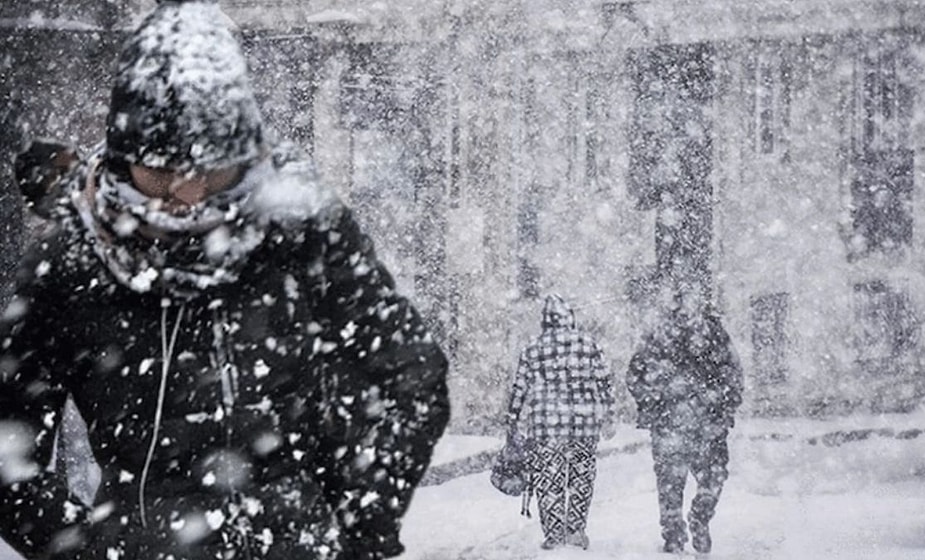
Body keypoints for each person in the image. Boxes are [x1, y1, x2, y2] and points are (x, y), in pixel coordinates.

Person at [0, 1, 449, 559]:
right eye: (161, 169)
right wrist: (82, 549)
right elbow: (6, 449)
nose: (188, 197)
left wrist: (360, 529)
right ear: (121, 158)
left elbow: (414, 380)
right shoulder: (71, 260)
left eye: (211, 171)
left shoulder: (302, 229)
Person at [626, 294, 743, 554]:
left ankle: (675, 534)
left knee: (671, 483)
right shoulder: (714, 334)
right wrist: (724, 405)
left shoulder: (656, 336)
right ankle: (698, 516)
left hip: (671, 422)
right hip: (706, 422)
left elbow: (634, 376)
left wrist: (652, 402)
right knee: (712, 477)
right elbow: (734, 375)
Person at [506, 293, 615, 550]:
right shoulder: (588, 344)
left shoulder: (532, 348)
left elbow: (519, 387)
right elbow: (604, 382)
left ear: (545, 321)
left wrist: (512, 417)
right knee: (581, 478)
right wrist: (609, 413)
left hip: (546, 426)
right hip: (584, 424)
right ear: (570, 318)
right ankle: (576, 529)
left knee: (549, 480)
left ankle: (554, 534)